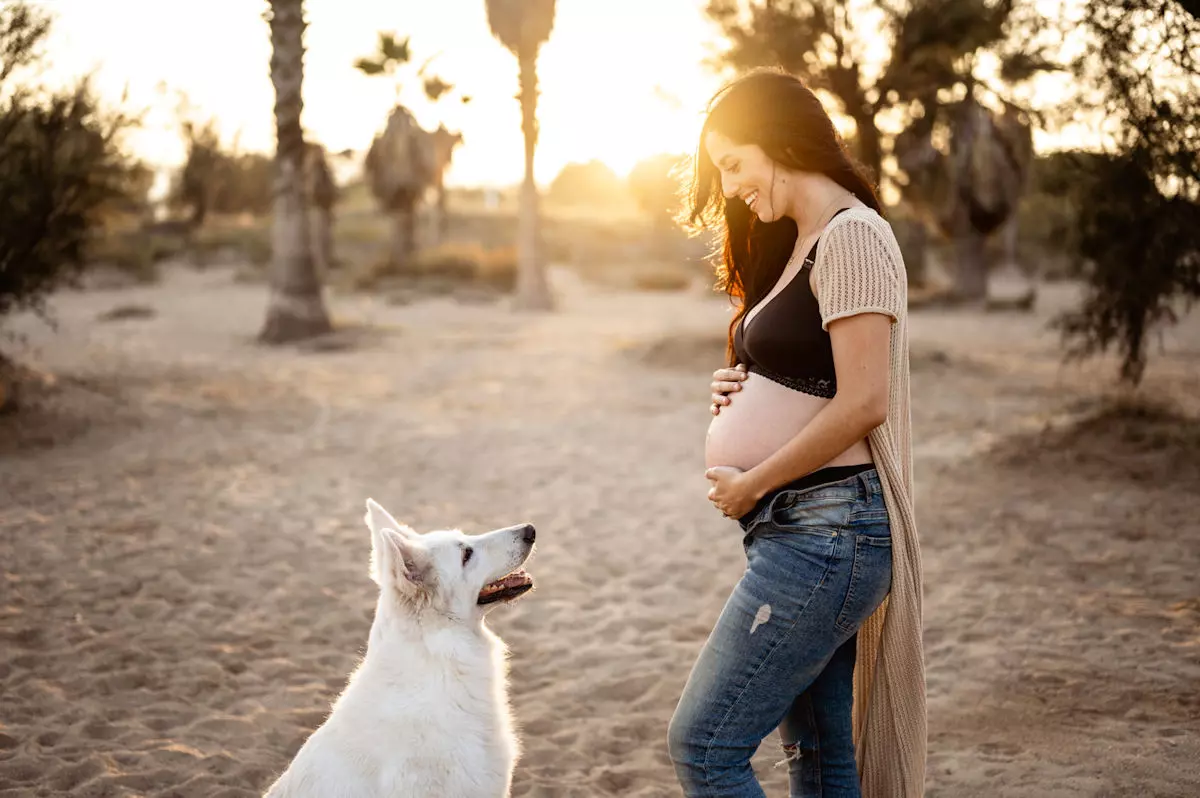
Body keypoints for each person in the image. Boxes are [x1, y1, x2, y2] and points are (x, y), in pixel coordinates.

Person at [666, 70, 926, 798]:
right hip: (799, 531)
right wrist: (738, 383)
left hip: (830, 532)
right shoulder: (799, 242)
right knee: (817, 751)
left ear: (779, 140)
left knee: (704, 746)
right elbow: (812, 374)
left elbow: (864, 401)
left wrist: (753, 480)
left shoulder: (852, 237)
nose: (731, 186)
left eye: (733, 163)